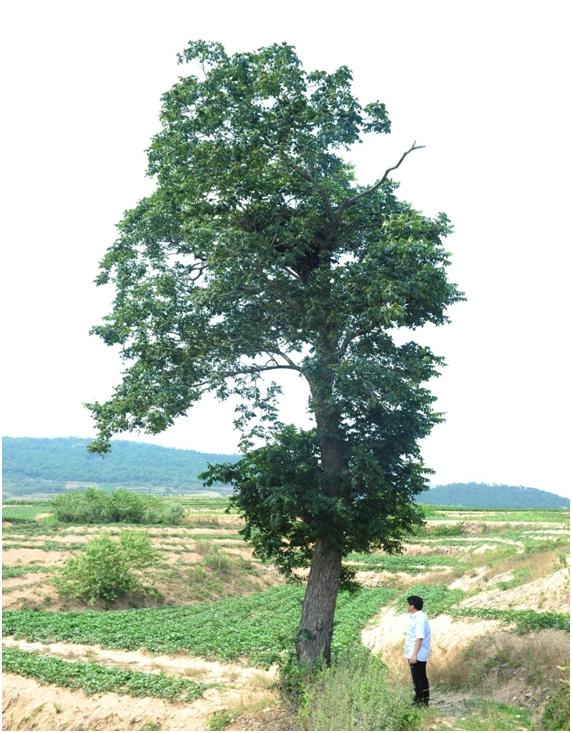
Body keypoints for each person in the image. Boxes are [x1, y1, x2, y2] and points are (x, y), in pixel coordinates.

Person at [404, 595, 431, 706]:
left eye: (408, 604)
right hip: (414, 653)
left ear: (412, 606)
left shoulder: (420, 619)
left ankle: (423, 702)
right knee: (416, 679)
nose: (406, 606)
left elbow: (419, 637)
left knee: (420, 678)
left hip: (418, 654)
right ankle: (418, 700)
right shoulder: (416, 617)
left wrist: (414, 655)